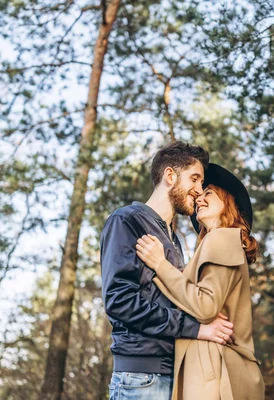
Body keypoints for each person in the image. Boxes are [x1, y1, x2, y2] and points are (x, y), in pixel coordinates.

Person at [100, 142, 236, 400]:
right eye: (194, 179)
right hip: (140, 378)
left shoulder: (171, 238)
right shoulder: (127, 221)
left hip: (172, 374)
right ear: (170, 176)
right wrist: (195, 328)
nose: (199, 191)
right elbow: (120, 302)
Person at [136, 163, 265, 400]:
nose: (199, 199)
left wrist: (159, 264)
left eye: (209, 194)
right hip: (214, 366)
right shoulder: (218, 243)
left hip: (213, 371)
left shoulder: (222, 239)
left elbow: (205, 307)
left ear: (228, 203)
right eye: (199, 195)